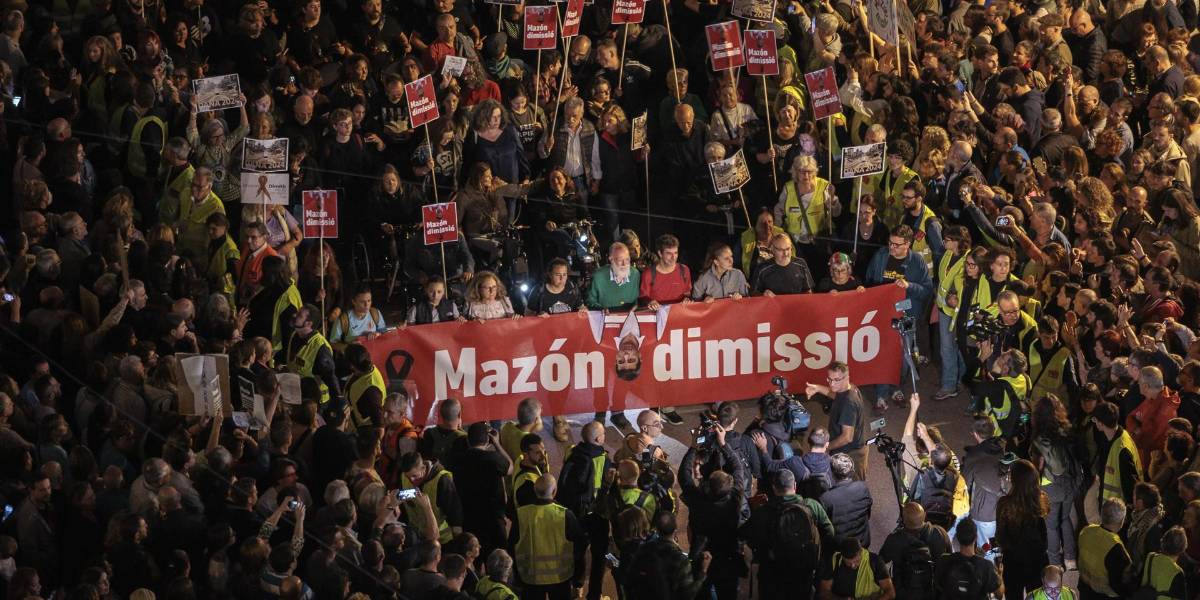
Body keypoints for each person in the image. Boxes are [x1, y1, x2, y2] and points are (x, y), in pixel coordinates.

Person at [741, 470, 833, 600]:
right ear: (794, 485)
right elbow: (829, 532)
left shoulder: (762, 512)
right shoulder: (811, 505)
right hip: (803, 573)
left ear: (774, 488)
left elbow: (745, 536)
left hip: (772, 575)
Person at [510, 474, 585, 600]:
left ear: (535, 491)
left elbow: (511, 547)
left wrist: (516, 579)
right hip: (561, 578)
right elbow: (579, 548)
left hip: (529, 578)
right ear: (554, 491)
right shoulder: (565, 515)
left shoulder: (521, 515)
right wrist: (578, 581)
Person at [995, 459, 1050, 599]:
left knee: (1013, 595)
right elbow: (1044, 538)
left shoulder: (1005, 504)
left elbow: (1001, 537)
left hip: (1013, 561)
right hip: (1037, 561)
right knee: (1037, 595)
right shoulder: (1040, 500)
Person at [806, 362, 869, 480]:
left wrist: (826, 447)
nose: (832, 383)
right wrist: (818, 388)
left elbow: (847, 437)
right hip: (851, 449)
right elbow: (835, 395)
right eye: (829, 379)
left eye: (836, 380)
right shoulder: (850, 388)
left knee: (850, 487)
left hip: (850, 454)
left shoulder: (848, 404)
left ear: (847, 377)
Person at [879, 502, 951, 600]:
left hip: (903, 593)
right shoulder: (939, 534)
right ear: (925, 515)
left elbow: (880, 562)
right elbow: (948, 559)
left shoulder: (894, 540)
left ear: (903, 520)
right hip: (932, 592)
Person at [933, 517, 1004, 600]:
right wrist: (1000, 575)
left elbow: (937, 586)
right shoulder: (986, 566)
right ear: (975, 538)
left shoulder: (944, 560)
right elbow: (999, 594)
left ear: (958, 538)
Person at [285, 304, 339, 406]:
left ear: (308, 324)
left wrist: (339, 400)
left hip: (316, 402)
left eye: (299, 315)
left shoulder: (320, 347)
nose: (294, 315)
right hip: (298, 395)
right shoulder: (295, 335)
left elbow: (331, 378)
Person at [1077, 498, 1132, 599]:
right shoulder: (1116, 548)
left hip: (1085, 589)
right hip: (1104, 595)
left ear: (1102, 514)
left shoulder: (1086, 531)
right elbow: (1118, 584)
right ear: (1122, 521)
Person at [817, 537, 896, 600]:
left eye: (856, 561)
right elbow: (824, 591)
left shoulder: (875, 562)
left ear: (861, 552)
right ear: (842, 556)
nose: (853, 565)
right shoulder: (834, 560)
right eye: (848, 563)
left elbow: (890, 593)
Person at [750, 233, 814, 297]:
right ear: (772, 249)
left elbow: (808, 290)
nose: (785, 253)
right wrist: (763, 295)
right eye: (781, 250)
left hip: (796, 305)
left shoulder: (801, 264)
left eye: (788, 249)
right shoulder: (762, 268)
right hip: (772, 306)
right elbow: (753, 293)